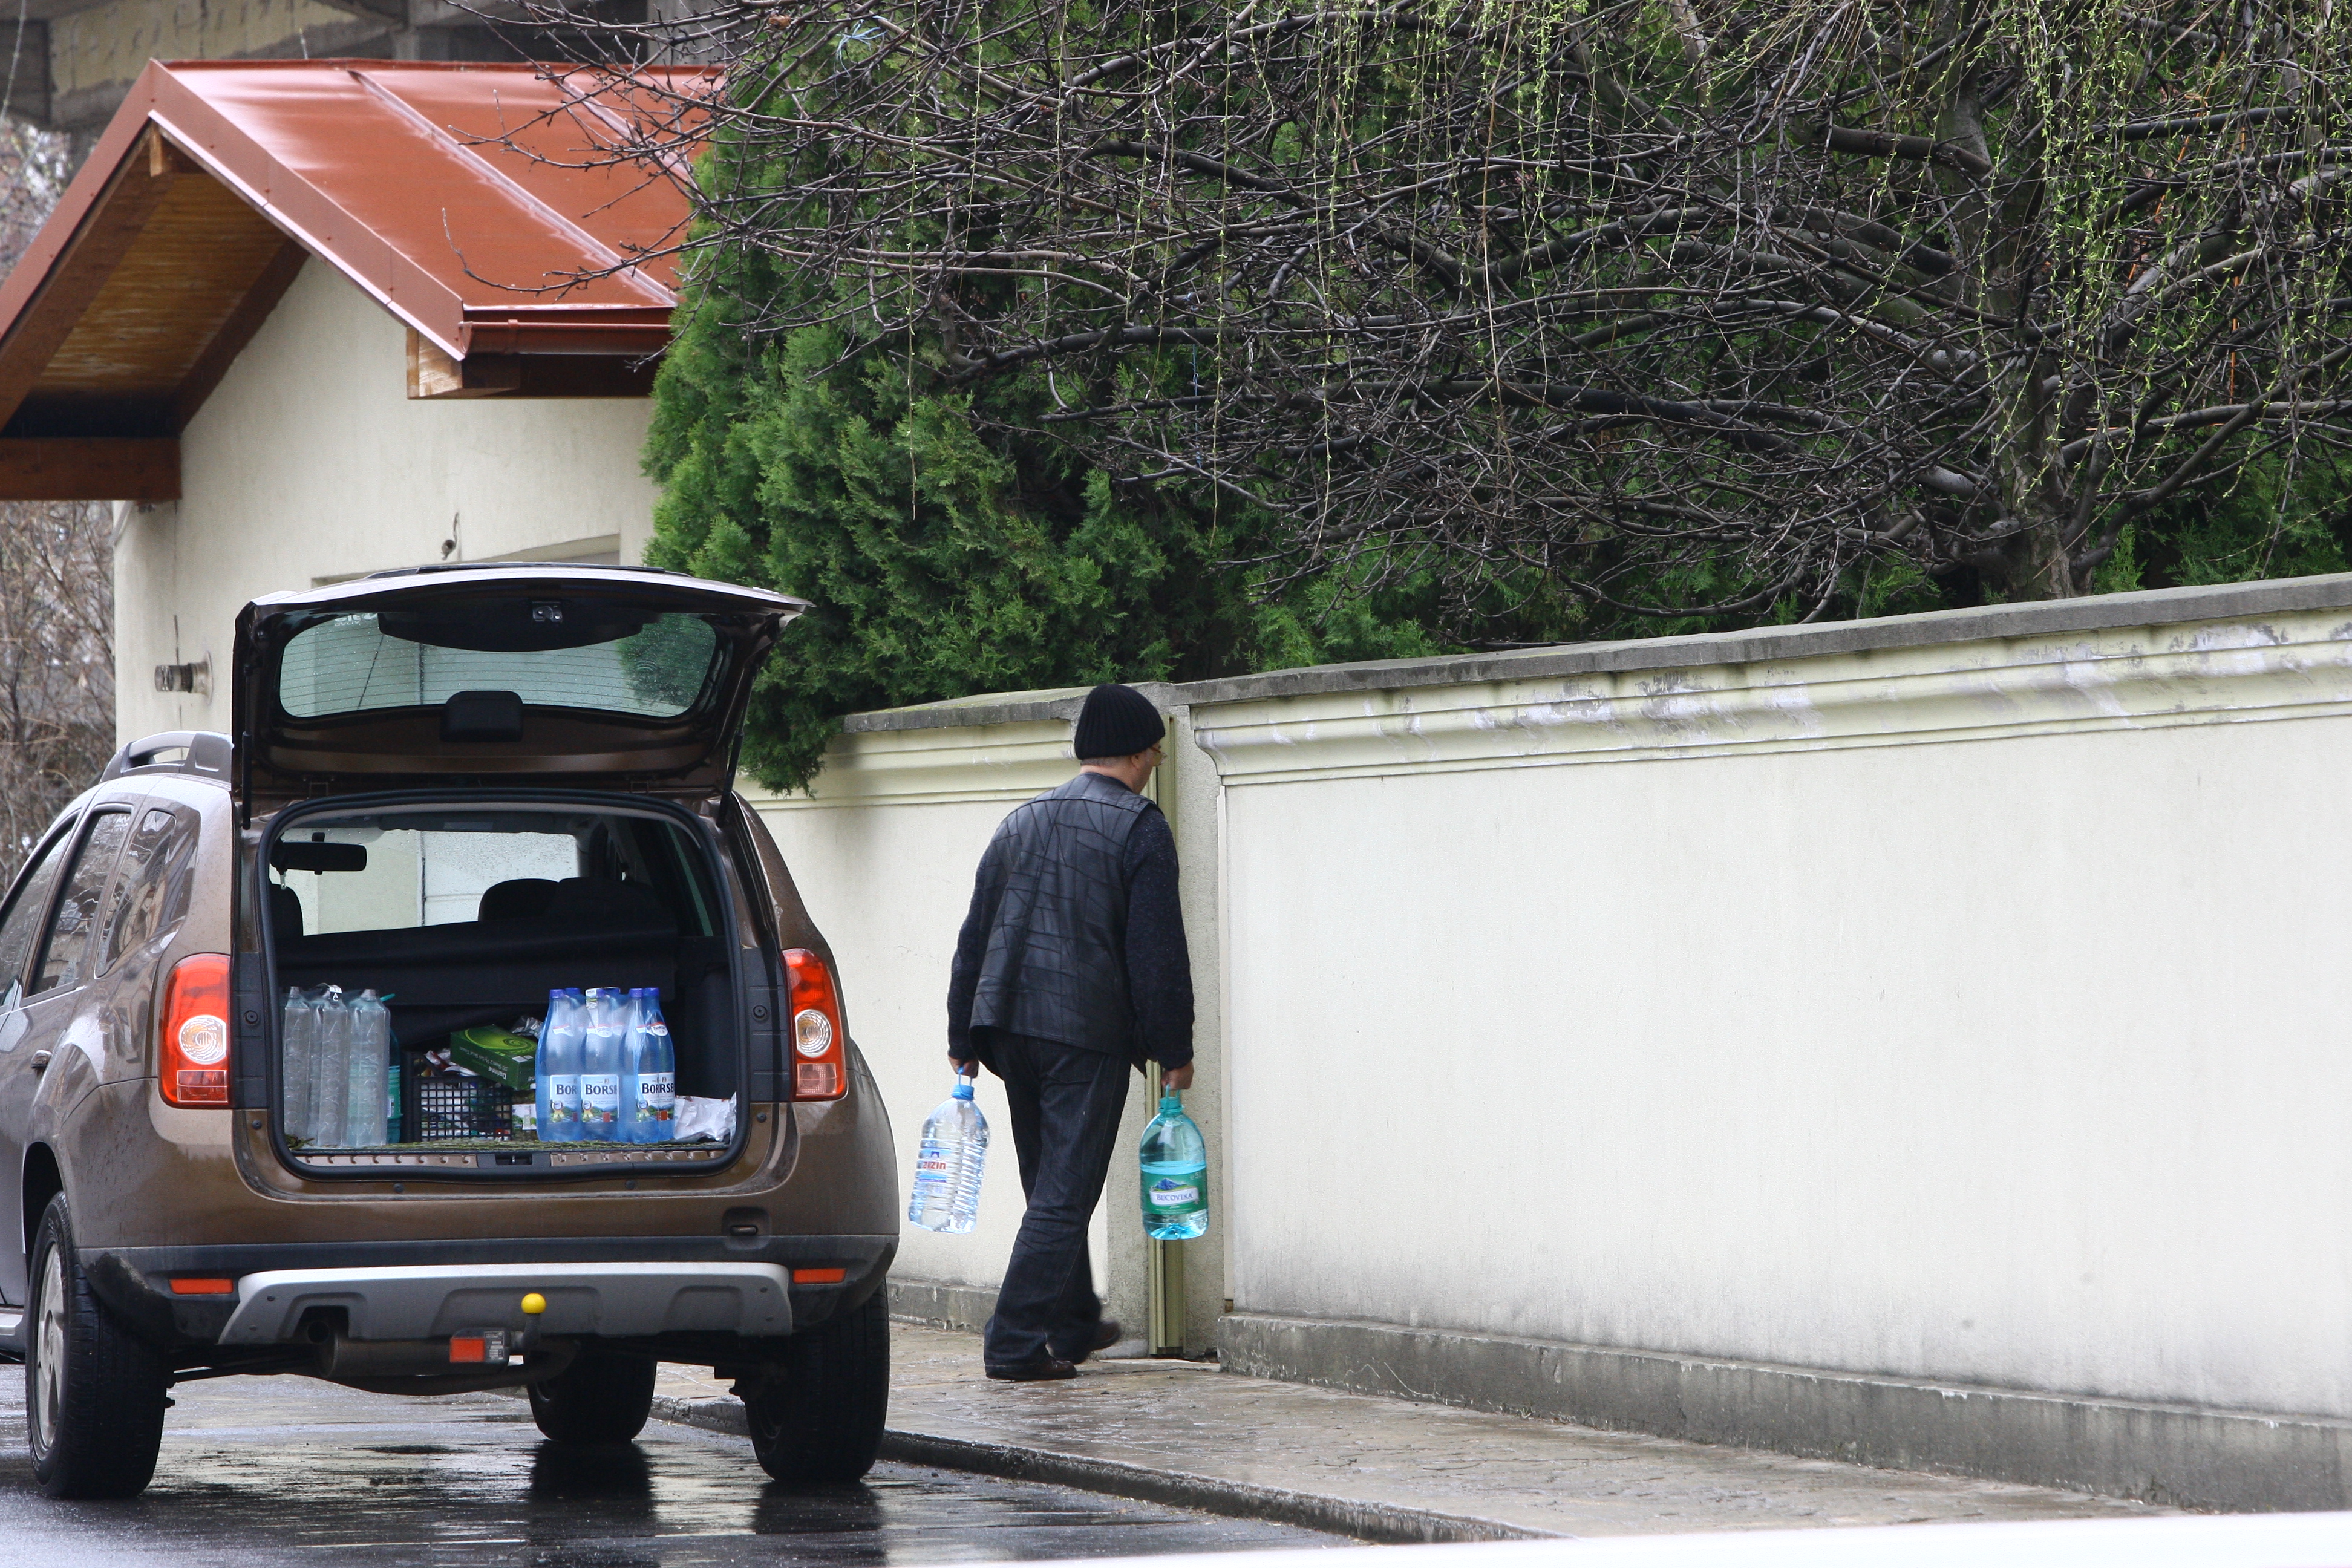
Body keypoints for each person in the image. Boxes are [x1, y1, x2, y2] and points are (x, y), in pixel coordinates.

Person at [946, 682, 1195, 1381]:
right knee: (1064, 1192)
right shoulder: (1140, 827)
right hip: (1083, 1034)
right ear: (1141, 753)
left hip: (1007, 1032)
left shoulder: (1019, 821)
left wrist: (962, 1035)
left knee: (1051, 1184)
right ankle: (1014, 1342)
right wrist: (1174, 1049)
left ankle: (1072, 1321)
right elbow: (1156, 954)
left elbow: (975, 935)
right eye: (1156, 753)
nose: (1156, 765)